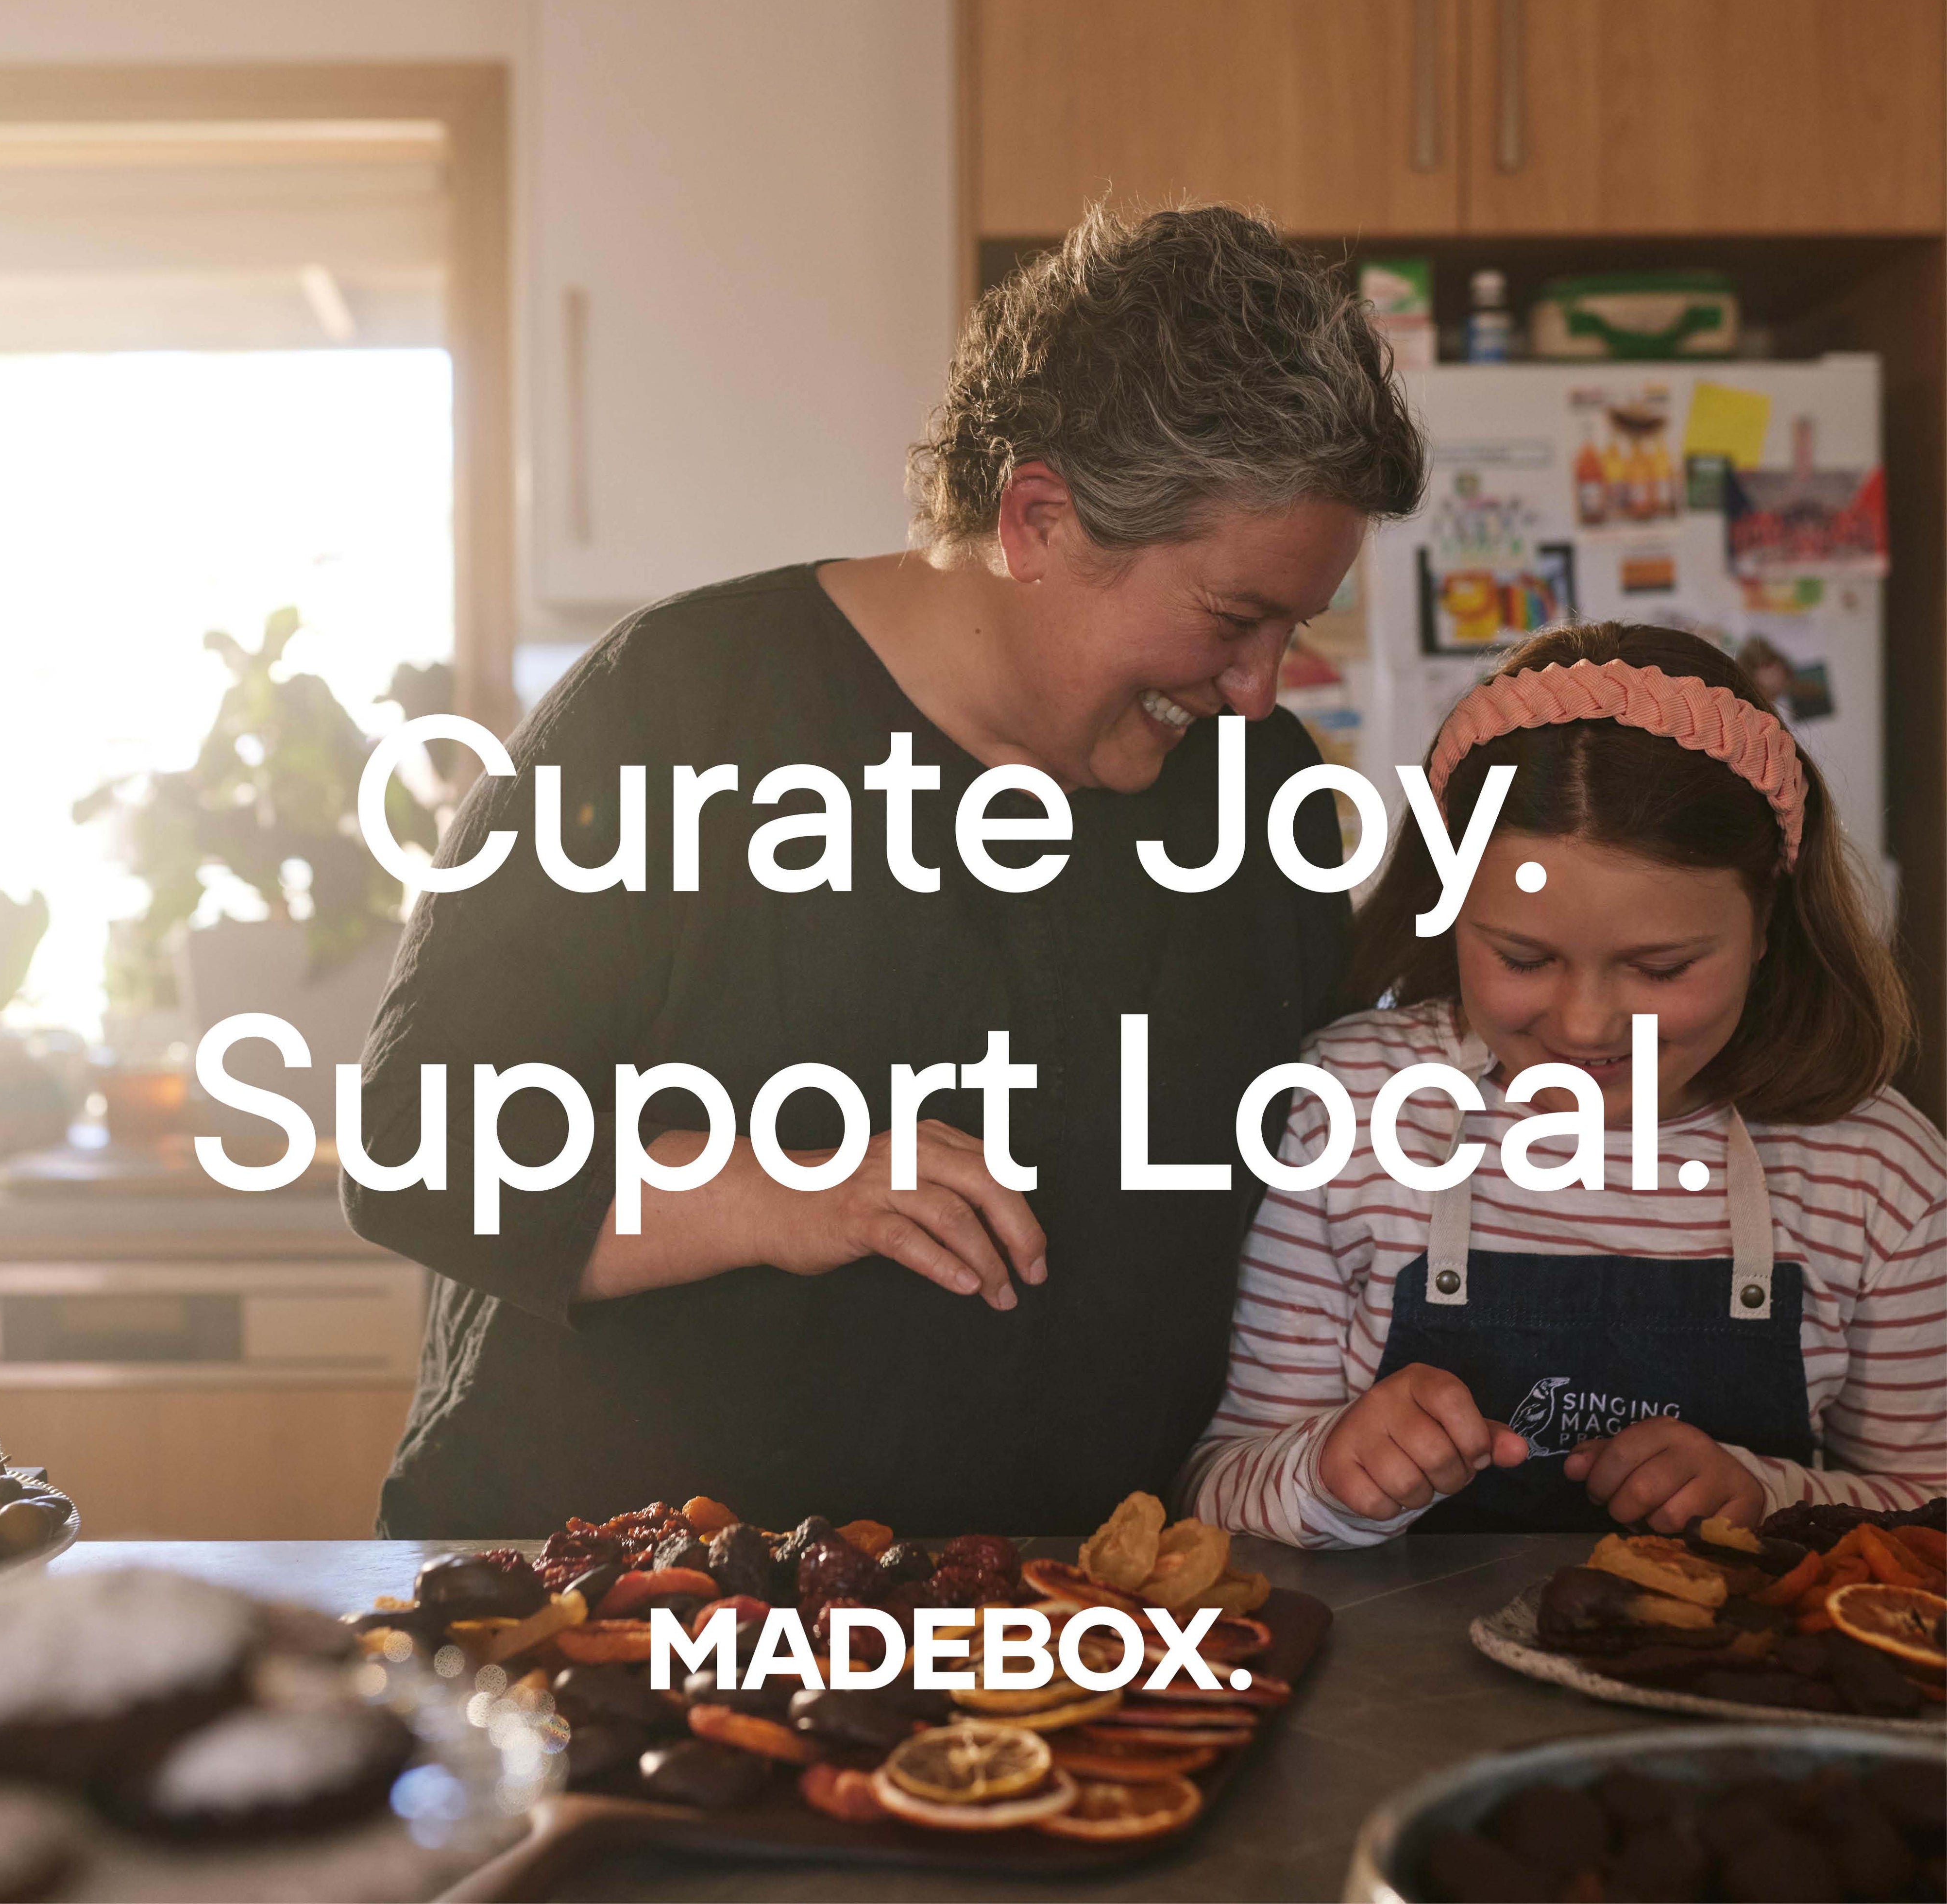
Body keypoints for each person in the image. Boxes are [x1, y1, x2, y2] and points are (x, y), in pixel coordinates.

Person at [345, 204, 1426, 1538]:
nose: (1259, 689)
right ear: (1038, 517)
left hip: (1063, 1625)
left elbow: (1345, 1154)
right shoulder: (684, 710)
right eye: (1230, 618)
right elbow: (419, 1141)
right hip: (631, 1609)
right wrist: (775, 1189)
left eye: (1292, 630)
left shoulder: (1256, 790)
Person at [1185, 621, 1946, 1543]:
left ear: (1768, 924)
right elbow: (1217, 1486)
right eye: (1523, 956)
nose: (1586, 1025)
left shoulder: (1875, 1173)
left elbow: (1929, 1510)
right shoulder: (1344, 1109)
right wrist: (1328, 1474)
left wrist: (1770, 1498)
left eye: (1662, 969)